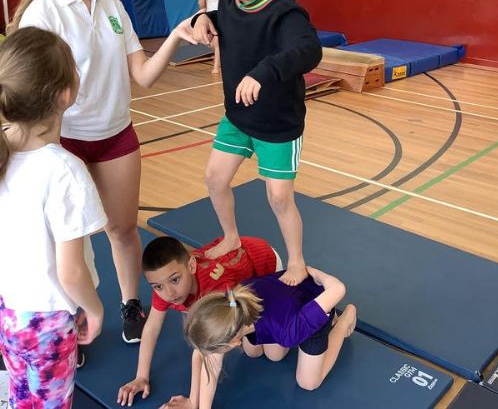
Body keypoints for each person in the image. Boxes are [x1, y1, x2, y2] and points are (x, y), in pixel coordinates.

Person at [8, 0, 194, 343]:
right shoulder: (44, 13)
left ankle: (130, 304)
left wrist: (176, 36)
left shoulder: (112, 7)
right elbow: (35, 87)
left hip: (115, 136)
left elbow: (143, 75)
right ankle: (69, 321)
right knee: (68, 245)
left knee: (122, 229)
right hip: (63, 141)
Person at [191, 0, 322, 286]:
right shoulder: (231, 1)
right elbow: (224, 18)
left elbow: (308, 49)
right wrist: (203, 16)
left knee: (279, 198)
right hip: (238, 117)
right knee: (215, 179)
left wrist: (262, 73)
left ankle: (296, 261)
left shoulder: (286, 11)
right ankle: (232, 238)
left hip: (278, 124)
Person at [0, 27, 107, 408]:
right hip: (46, 321)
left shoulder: (6, 153)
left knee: (20, 392)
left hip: (9, 311)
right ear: (66, 93)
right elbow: (71, 272)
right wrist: (95, 310)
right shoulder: (64, 170)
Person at [117, 235, 281, 406]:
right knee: (252, 350)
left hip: (265, 264)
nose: (169, 293)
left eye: (175, 280)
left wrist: (193, 402)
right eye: (158, 286)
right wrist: (141, 376)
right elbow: (152, 328)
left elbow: (210, 352)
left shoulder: (214, 290)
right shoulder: (165, 285)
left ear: (191, 266)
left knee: (273, 355)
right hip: (236, 284)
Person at [162, 267, 356, 408]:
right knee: (264, 354)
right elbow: (203, 357)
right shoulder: (230, 307)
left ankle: (344, 319)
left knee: (308, 383)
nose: (205, 354)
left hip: (316, 301)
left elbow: (338, 289)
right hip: (283, 302)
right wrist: (192, 402)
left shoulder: (288, 331)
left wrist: (314, 273)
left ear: (234, 342)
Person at [197, 0, 224, 75]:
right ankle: (218, 57)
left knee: (217, 42)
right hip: (210, 17)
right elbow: (201, 6)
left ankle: (216, 67)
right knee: (212, 44)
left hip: (221, 15)